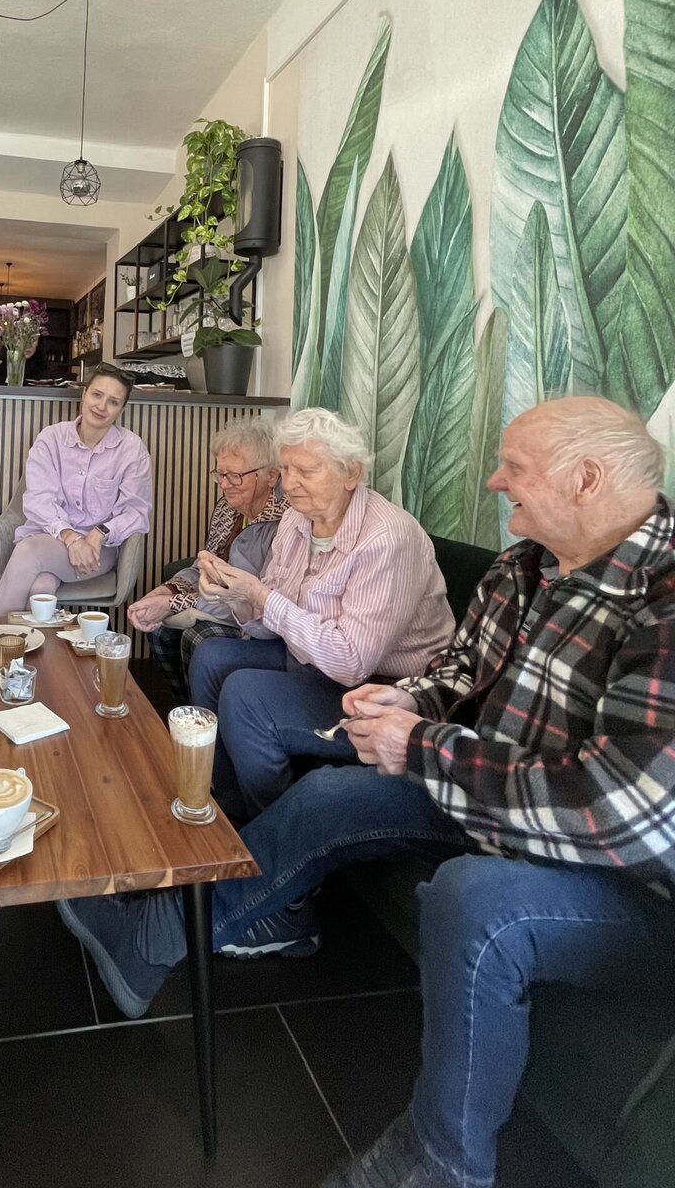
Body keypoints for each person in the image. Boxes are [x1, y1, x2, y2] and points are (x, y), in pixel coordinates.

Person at [59, 396, 675, 1188]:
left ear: (586, 479)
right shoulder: (524, 568)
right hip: (490, 797)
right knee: (327, 798)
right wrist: (408, 701)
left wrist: (420, 743)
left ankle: (441, 1162)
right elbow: (462, 674)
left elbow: (620, 809)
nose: (495, 480)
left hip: (624, 878)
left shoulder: (660, 599)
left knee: (476, 897)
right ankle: (149, 942)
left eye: (514, 468)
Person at [185, 407, 454, 819]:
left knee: (245, 694)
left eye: (306, 471)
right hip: (313, 662)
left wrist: (259, 595)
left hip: (382, 689)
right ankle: (225, 805)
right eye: (285, 469)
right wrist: (234, 594)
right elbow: (272, 616)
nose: (289, 484)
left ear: (351, 473)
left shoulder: (387, 539)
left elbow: (350, 661)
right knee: (211, 657)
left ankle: (268, 826)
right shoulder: (297, 519)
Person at [126, 415, 287, 702]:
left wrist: (172, 603)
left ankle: (207, 718)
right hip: (217, 602)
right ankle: (184, 708)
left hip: (255, 621)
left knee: (198, 636)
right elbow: (204, 565)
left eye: (235, 476)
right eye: (220, 474)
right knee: (159, 629)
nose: (224, 484)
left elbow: (252, 600)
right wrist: (165, 591)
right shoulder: (228, 508)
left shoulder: (284, 523)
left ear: (271, 476)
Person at [0, 364, 152, 615]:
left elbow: (136, 512)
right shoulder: (51, 439)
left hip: (98, 552)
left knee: (28, 552)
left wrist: (97, 534)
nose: (101, 406)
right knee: (41, 586)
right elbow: (38, 500)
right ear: (84, 394)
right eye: (96, 395)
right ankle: (29, 642)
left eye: (113, 402)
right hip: (49, 537)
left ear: (121, 409)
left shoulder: (131, 449)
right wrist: (71, 537)